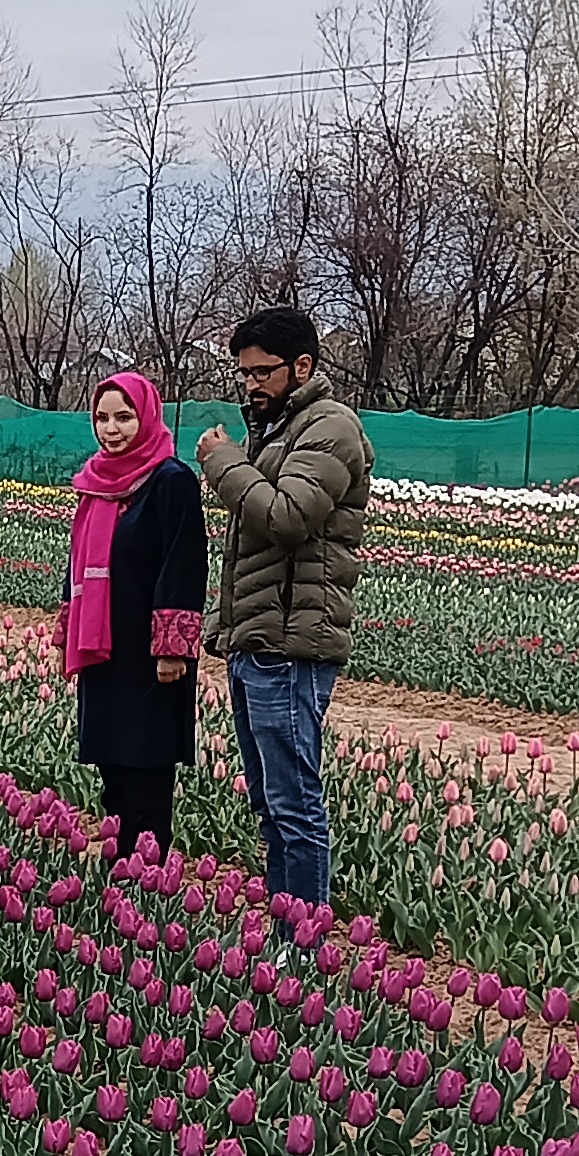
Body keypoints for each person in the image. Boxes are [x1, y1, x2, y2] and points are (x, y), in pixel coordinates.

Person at [195, 304, 371, 925]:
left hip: (292, 646)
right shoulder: (277, 429)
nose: (250, 383)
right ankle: (284, 929)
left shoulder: (330, 428)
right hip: (257, 640)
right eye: (243, 372)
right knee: (271, 803)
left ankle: (306, 937)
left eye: (262, 372)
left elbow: (287, 518)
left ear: (303, 366)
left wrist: (223, 462)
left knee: (293, 802)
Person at [64, 371, 207, 859]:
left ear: (146, 417)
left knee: (147, 769)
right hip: (104, 648)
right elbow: (78, 562)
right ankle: (119, 866)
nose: (111, 429)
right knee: (112, 770)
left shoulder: (171, 481)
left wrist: (172, 649)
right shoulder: (94, 482)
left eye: (124, 417)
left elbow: (183, 566)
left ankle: (148, 873)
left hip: (150, 656)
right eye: (102, 418)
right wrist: (71, 633)